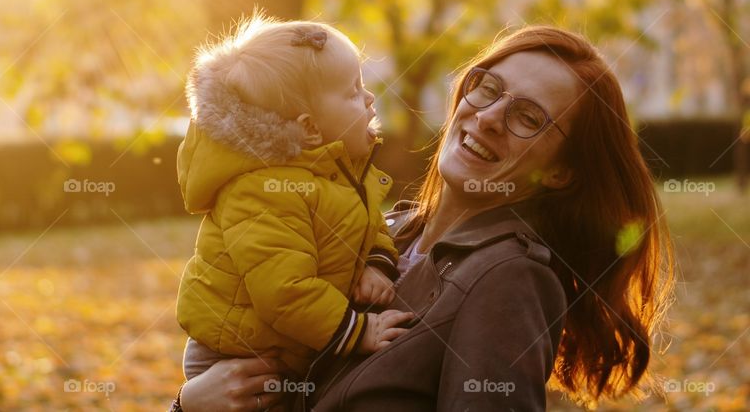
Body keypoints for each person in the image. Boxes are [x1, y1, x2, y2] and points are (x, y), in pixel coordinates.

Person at [174, 25, 675, 411]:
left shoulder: (510, 279)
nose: (488, 116)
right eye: (487, 88)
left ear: (562, 172)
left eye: (528, 118)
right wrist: (190, 403)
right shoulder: (383, 230)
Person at [174, 15, 415, 399]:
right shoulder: (264, 191)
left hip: (296, 341)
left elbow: (372, 226)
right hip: (236, 355)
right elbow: (285, 293)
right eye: (353, 92)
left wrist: (376, 263)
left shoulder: (338, 175)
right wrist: (360, 330)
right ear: (310, 128)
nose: (369, 98)